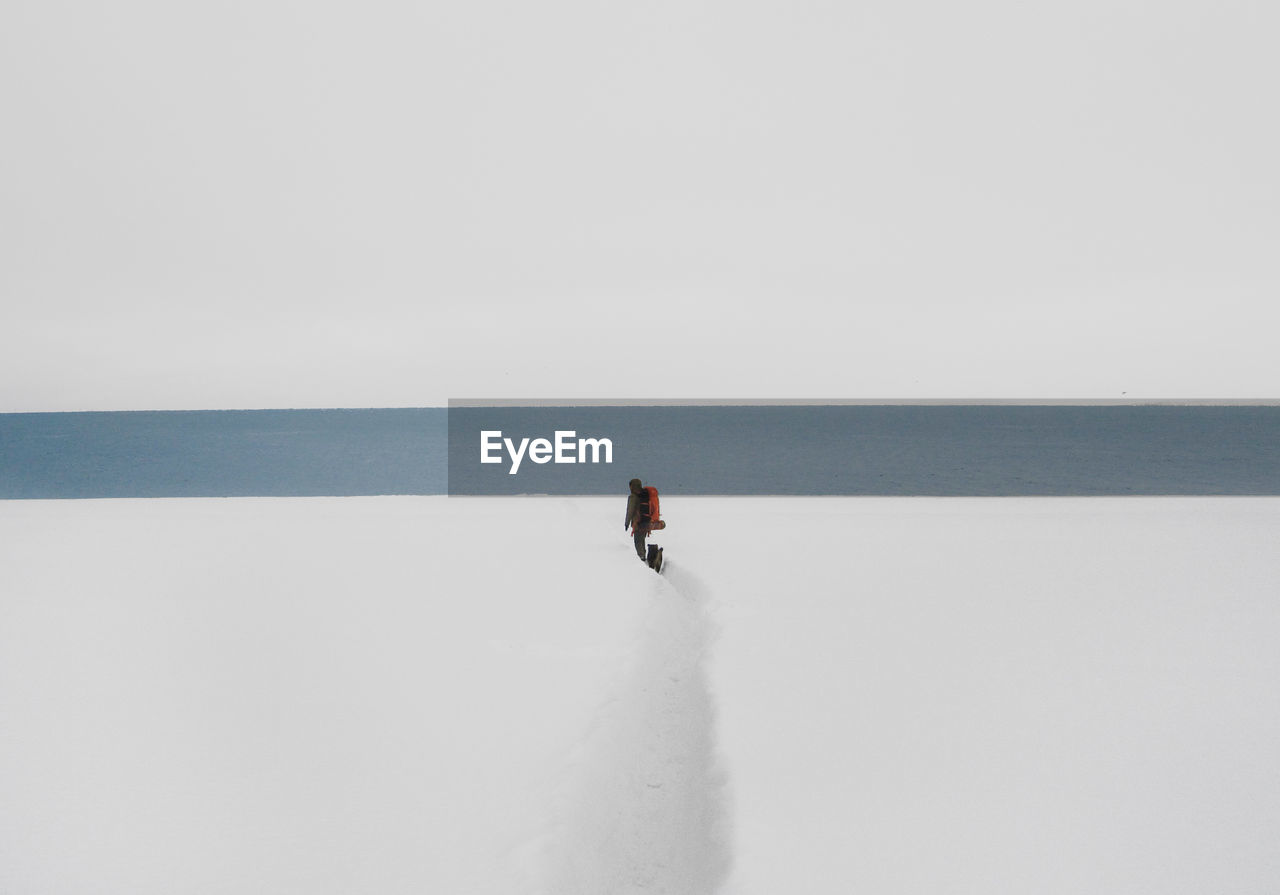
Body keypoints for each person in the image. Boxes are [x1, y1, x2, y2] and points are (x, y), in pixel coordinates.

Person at [624, 477, 652, 562]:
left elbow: (630, 510)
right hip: (647, 521)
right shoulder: (646, 495)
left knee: (637, 541)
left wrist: (627, 523)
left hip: (638, 521)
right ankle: (644, 555)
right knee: (642, 539)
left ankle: (642, 557)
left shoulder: (633, 497)